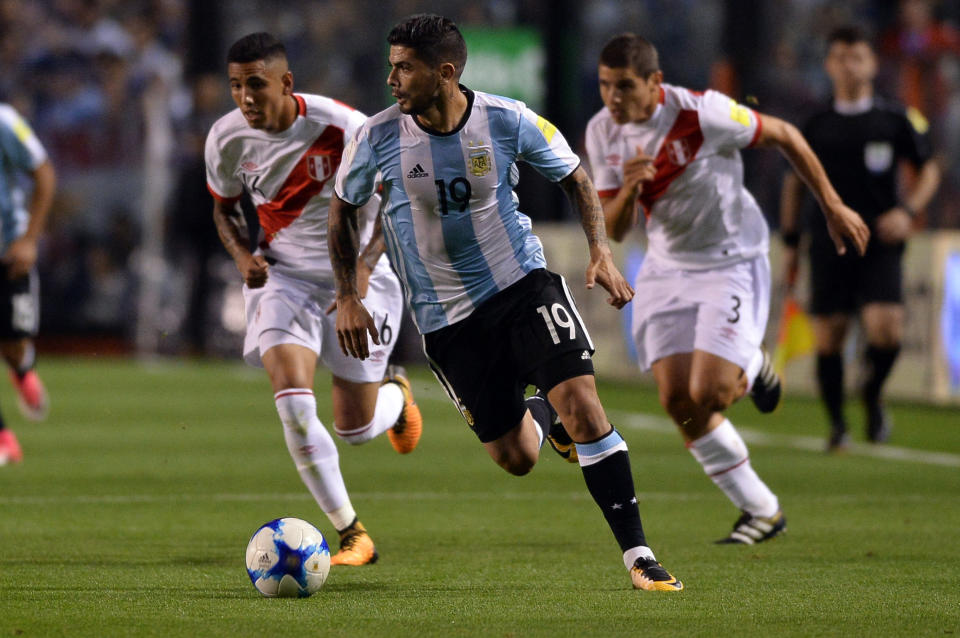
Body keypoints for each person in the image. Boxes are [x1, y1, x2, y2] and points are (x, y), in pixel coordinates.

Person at [330, 14, 682, 592]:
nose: (391, 79)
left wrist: (600, 251)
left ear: (444, 73)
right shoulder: (376, 137)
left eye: (404, 67)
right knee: (516, 456)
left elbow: (576, 178)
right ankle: (544, 417)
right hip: (447, 321)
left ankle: (639, 556)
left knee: (585, 406)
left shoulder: (507, 119)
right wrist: (348, 293)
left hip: (522, 285)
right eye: (391, 65)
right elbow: (343, 207)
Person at [584, 33, 869, 544]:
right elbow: (616, 228)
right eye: (606, 85)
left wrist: (831, 205)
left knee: (709, 391)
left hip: (730, 261)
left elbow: (785, 135)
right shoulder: (604, 131)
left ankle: (753, 363)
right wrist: (629, 188)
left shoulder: (703, 113)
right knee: (678, 402)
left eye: (624, 86)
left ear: (654, 82)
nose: (613, 98)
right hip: (668, 267)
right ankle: (762, 510)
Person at [204, 32, 423, 566]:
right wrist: (241, 257)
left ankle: (395, 398)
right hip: (284, 280)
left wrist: (364, 270)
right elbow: (224, 209)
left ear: (285, 82)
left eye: (255, 84)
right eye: (235, 86)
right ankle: (352, 533)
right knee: (295, 404)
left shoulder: (343, 127)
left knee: (354, 429)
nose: (245, 97)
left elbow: (398, 195)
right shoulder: (225, 139)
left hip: (359, 279)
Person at [780, 26, 940, 451]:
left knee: (885, 330)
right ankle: (837, 425)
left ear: (871, 64)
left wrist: (907, 213)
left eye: (857, 57)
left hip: (880, 240)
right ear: (829, 66)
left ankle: (871, 394)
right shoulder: (814, 124)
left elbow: (929, 170)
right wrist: (792, 241)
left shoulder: (895, 120)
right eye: (840, 58)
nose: (848, 65)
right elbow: (794, 185)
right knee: (829, 337)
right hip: (829, 242)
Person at [0, 102, 56, 466]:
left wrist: (30, 240)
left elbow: (44, 174)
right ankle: (5, 439)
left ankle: (22, 366)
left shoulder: (5, 121)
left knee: (13, 344)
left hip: (7, 251)